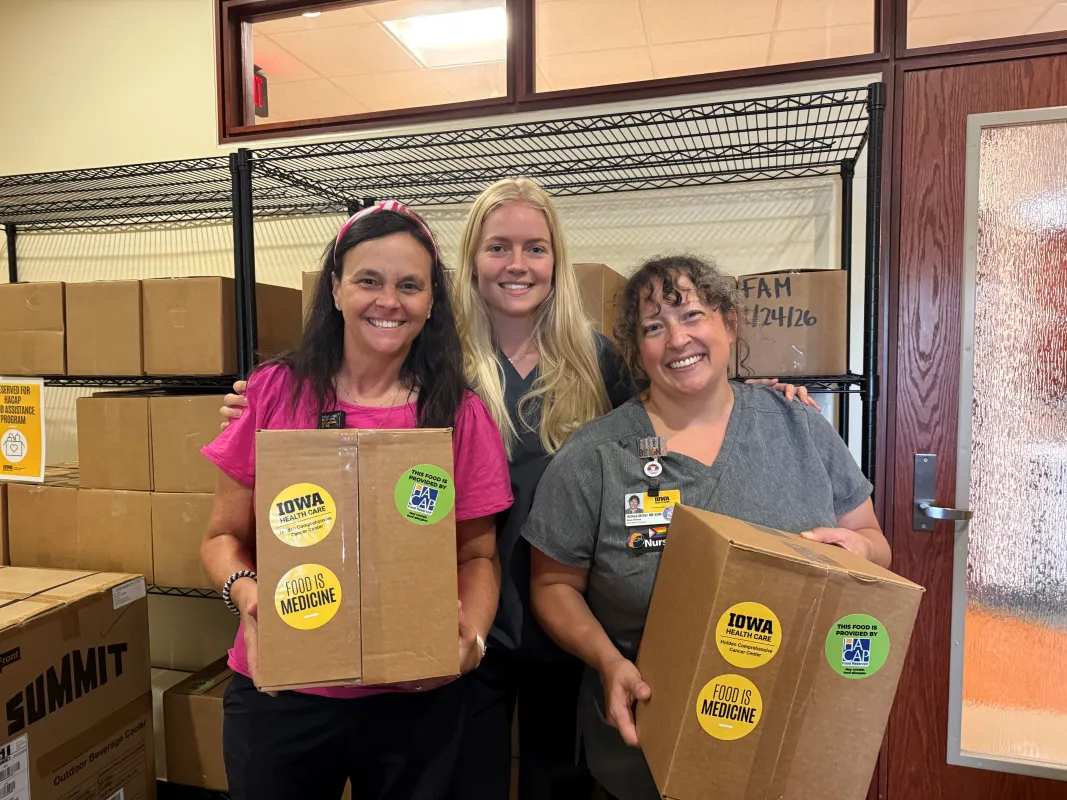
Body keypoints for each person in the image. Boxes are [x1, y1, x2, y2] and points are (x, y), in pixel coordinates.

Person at [219, 180, 819, 800]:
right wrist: (257, 401)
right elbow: (345, 394)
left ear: (556, 259)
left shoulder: (595, 359)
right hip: (463, 618)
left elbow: (668, 414)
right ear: (471, 262)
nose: (517, 264)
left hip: (569, 621)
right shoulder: (437, 364)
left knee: (553, 783)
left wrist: (752, 395)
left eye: (535, 248)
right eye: (497, 247)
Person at [521, 254, 890, 800]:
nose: (677, 339)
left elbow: (875, 545)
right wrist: (608, 661)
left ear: (729, 323)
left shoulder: (800, 426)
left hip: (788, 741)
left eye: (693, 315)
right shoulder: (594, 456)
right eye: (654, 327)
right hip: (649, 745)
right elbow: (553, 586)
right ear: (637, 350)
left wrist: (860, 549)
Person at [201, 202, 513, 800]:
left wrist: (470, 643)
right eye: (369, 280)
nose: (388, 301)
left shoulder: (458, 414)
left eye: (410, 286)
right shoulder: (273, 393)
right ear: (336, 289)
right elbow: (221, 538)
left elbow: (477, 556)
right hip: (284, 693)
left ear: (432, 301)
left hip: (414, 698)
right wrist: (249, 597)